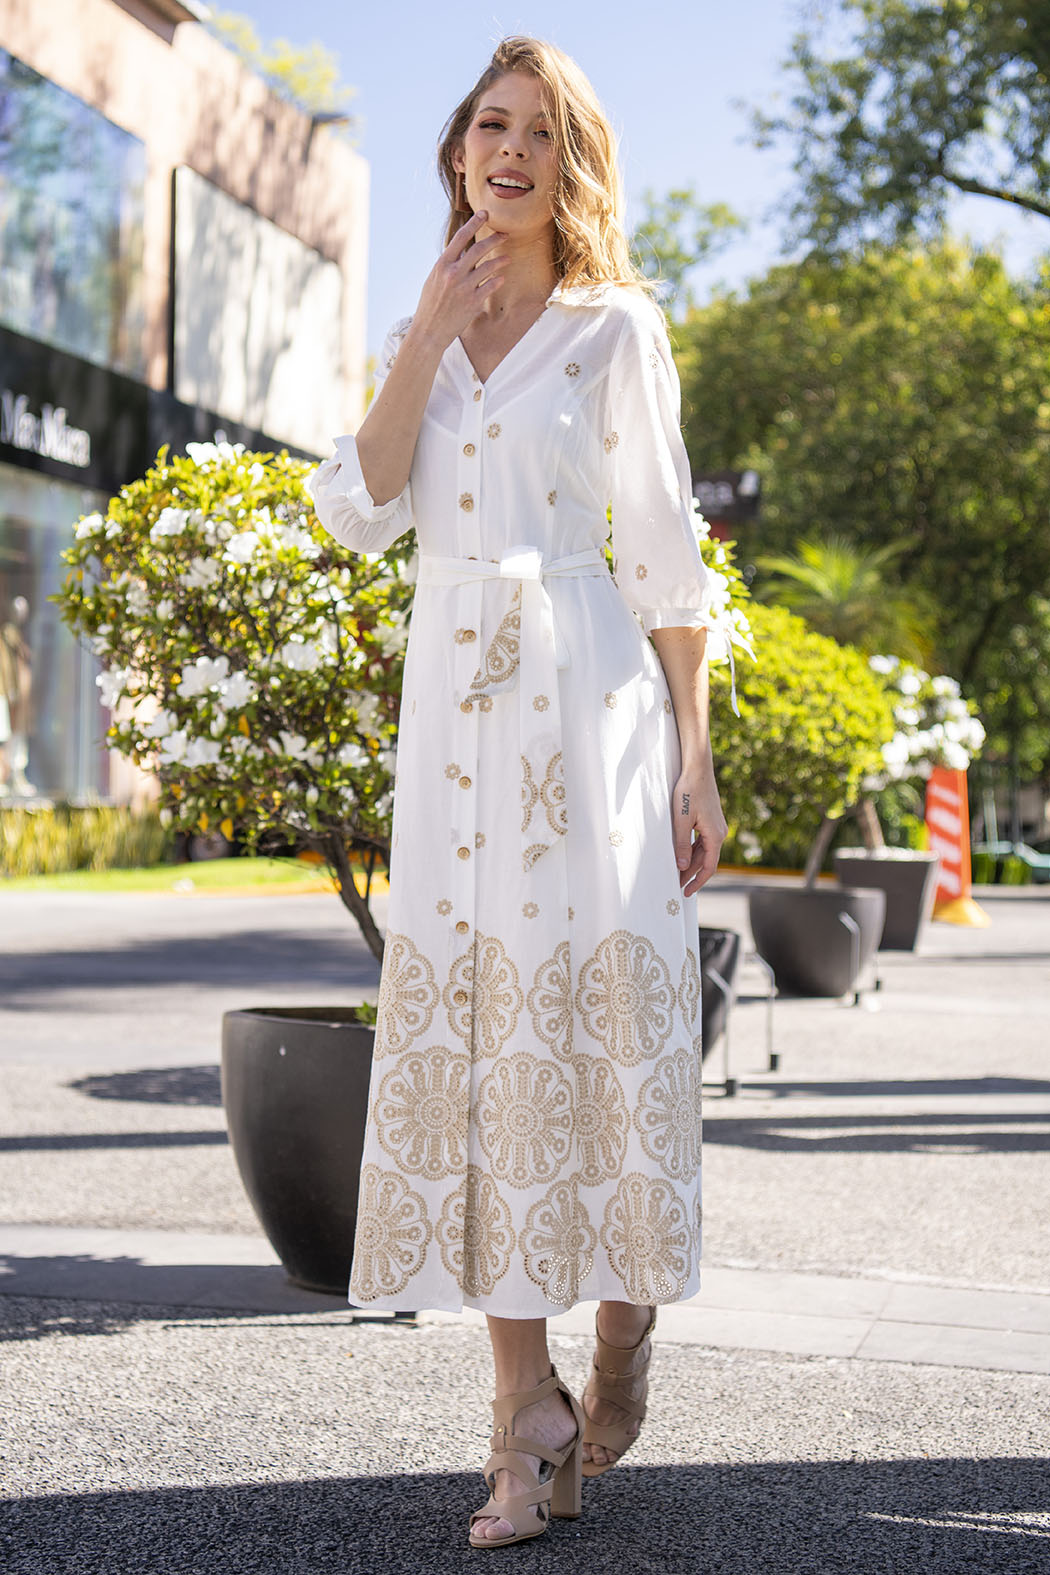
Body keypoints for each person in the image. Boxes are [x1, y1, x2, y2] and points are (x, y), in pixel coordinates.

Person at [307, 35, 728, 1550]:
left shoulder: (616, 328)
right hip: (455, 737)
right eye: (489, 123)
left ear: (571, 167)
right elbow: (358, 511)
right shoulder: (424, 320)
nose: (509, 150)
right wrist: (424, 328)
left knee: (597, 1031)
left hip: (589, 711)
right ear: (458, 150)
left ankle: (615, 1333)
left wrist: (691, 747)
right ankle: (517, 1421)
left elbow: (664, 549)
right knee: (481, 1053)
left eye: (541, 133)